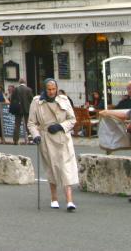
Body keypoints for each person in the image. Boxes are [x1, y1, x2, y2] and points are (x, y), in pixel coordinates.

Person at [28, 78, 79, 211]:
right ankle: (54, 198)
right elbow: (31, 123)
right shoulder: (36, 102)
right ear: (44, 89)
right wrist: (36, 136)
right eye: (49, 89)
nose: (51, 92)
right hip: (46, 138)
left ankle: (69, 201)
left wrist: (61, 126)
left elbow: (72, 119)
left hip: (63, 138)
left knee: (66, 167)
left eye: (53, 89)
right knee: (51, 168)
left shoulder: (64, 100)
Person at [10, 78, 33, 145]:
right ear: (25, 82)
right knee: (28, 125)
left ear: (19, 82)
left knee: (17, 125)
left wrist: (12, 109)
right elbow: (31, 100)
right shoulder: (29, 89)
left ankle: (15, 140)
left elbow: (12, 99)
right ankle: (30, 140)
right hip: (27, 109)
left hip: (18, 109)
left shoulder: (16, 89)